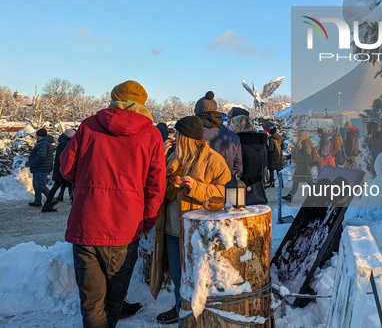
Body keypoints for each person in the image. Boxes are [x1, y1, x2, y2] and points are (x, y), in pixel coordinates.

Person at [60, 80, 166, 328]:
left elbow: (66, 169)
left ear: (113, 99)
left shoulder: (88, 126)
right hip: (126, 227)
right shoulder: (151, 134)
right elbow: (156, 186)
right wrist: (147, 220)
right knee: (114, 300)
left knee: (91, 303)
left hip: (87, 223)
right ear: (142, 103)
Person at [150, 116, 231, 325]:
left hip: (196, 235)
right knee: (178, 282)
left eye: (179, 134)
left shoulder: (214, 160)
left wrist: (197, 187)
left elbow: (225, 195)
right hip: (170, 230)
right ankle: (181, 315)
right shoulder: (173, 157)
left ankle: (196, 320)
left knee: (196, 283)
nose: (175, 138)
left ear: (188, 138)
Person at [194, 91, 242, 178]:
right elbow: (238, 166)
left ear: (197, 113)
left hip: (199, 187)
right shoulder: (233, 136)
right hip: (226, 185)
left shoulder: (192, 135)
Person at [229, 115, 268, 205]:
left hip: (238, 187)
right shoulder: (261, 142)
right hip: (256, 188)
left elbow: (234, 166)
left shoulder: (237, 142)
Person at [42, 128, 75, 212]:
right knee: (69, 185)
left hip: (60, 169)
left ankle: (48, 203)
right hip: (63, 169)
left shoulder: (63, 142)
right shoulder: (65, 144)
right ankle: (73, 202)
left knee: (57, 186)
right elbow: (64, 157)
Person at [282, 130, 313, 202]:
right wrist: (287, 157)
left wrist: (309, 165)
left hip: (304, 165)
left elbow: (308, 154)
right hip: (301, 164)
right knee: (308, 180)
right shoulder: (301, 142)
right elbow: (295, 153)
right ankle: (318, 193)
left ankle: (291, 195)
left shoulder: (305, 142)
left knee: (298, 180)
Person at [28, 128, 55, 208]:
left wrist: (33, 164)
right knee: (36, 185)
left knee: (40, 185)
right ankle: (37, 201)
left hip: (41, 168)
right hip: (41, 167)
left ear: (39, 135)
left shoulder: (43, 143)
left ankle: (52, 199)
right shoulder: (45, 143)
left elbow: (41, 156)